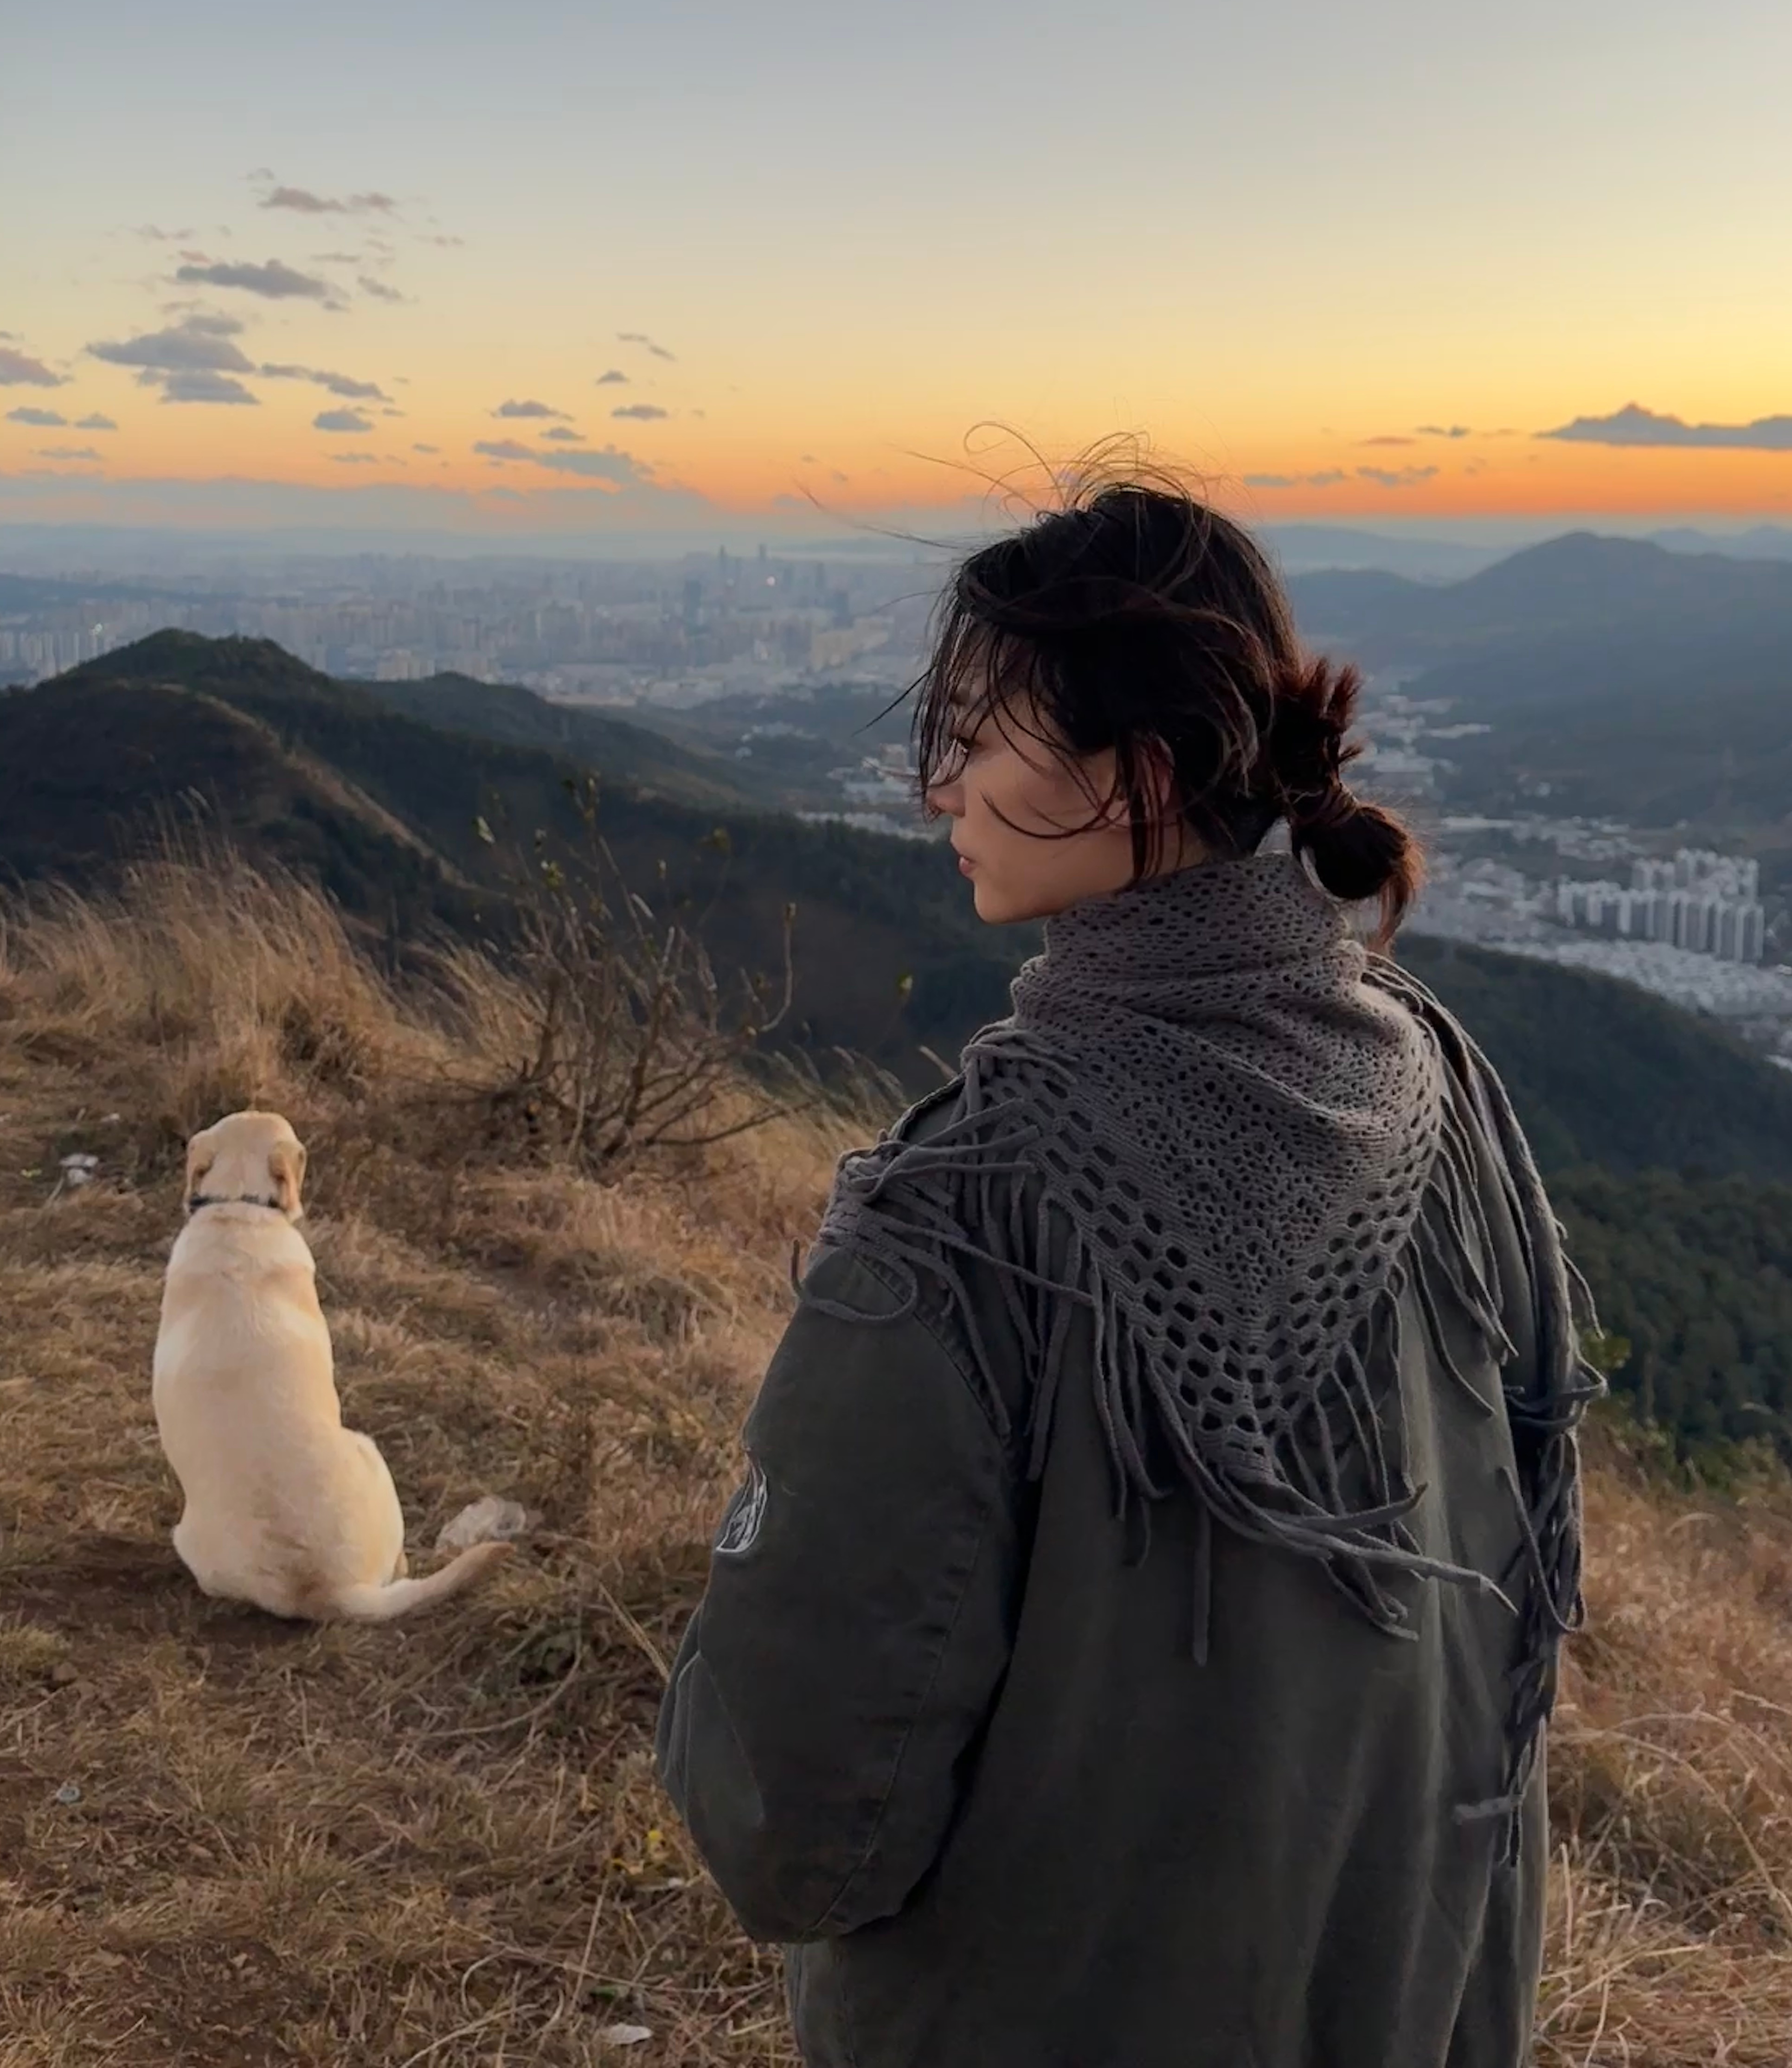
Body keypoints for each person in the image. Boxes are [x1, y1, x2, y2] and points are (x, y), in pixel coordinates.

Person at [659, 471, 1599, 2068]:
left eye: (975, 733)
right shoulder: (1431, 1081)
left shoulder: (967, 1216)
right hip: (1413, 1993)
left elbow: (795, 1824)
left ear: (1133, 779)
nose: (935, 788)